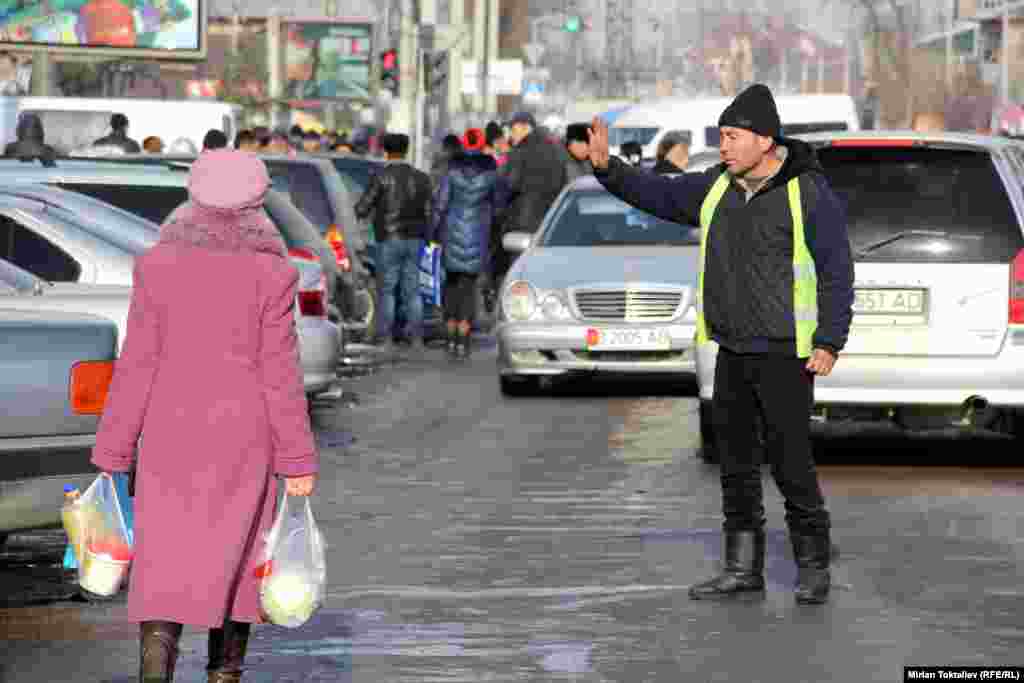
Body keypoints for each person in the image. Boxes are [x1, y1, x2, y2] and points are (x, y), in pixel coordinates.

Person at [589, 84, 855, 605]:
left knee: (790, 463)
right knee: (735, 465)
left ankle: (813, 566)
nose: (724, 146)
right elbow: (659, 195)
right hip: (731, 350)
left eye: (732, 137)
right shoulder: (716, 187)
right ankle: (742, 569)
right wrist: (608, 170)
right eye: (722, 137)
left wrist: (829, 340)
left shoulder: (807, 193)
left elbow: (836, 272)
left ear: (764, 139)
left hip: (786, 354)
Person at [90, 149, 319, 681]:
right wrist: (298, 462)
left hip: (170, 438)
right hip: (244, 442)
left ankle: (155, 670)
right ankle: (224, 674)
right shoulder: (273, 273)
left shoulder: (158, 266)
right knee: (239, 569)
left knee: (163, 564)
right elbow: (280, 375)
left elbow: (137, 364)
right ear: (256, 200)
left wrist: (114, 449)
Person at [354, 133, 433, 353]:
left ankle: (385, 338)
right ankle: (417, 339)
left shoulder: (381, 177)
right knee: (413, 290)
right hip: (415, 239)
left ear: (386, 151)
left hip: (388, 239)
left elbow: (362, 207)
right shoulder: (422, 178)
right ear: (406, 151)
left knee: (387, 289)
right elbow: (429, 211)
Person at [431, 127, 504, 359]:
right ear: (483, 145)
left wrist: (432, 233)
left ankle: (451, 337)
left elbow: (440, 205)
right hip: (477, 235)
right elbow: (499, 207)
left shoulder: (451, 172)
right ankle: (463, 338)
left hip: (451, 234)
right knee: (468, 287)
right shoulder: (491, 174)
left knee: (451, 285)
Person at [493, 111, 567, 282]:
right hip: (549, 224)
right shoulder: (556, 150)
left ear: (525, 127)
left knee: (520, 277)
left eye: (513, 129)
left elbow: (509, 185)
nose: (511, 135)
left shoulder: (519, 153)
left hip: (522, 225)